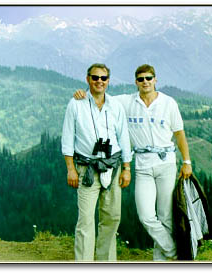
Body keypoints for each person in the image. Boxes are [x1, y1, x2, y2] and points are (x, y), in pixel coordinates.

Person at [73, 64, 192, 261]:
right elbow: (101, 95)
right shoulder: (127, 102)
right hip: (143, 165)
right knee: (146, 216)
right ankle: (177, 253)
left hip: (167, 163)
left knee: (166, 217)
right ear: (136, 82)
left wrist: (186, 161)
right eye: (141, 79)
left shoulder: (169, 103)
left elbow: (179, 134)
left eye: (149, 78)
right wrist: (82, 94)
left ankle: (162, 261)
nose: (145, 82)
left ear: (155, 80)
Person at [61, 63, 132, 262]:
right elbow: (68, 138)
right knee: (85, 220)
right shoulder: (76, 103)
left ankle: (105, 262)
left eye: (103, 78)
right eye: (95, 78)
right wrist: (71, 169)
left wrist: (127, 168)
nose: (99, 81)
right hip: (87, 169)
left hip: (113, 167)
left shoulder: (115, 105)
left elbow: (124, 138)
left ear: (108, 81)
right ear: (87, 79)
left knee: (111, 217)